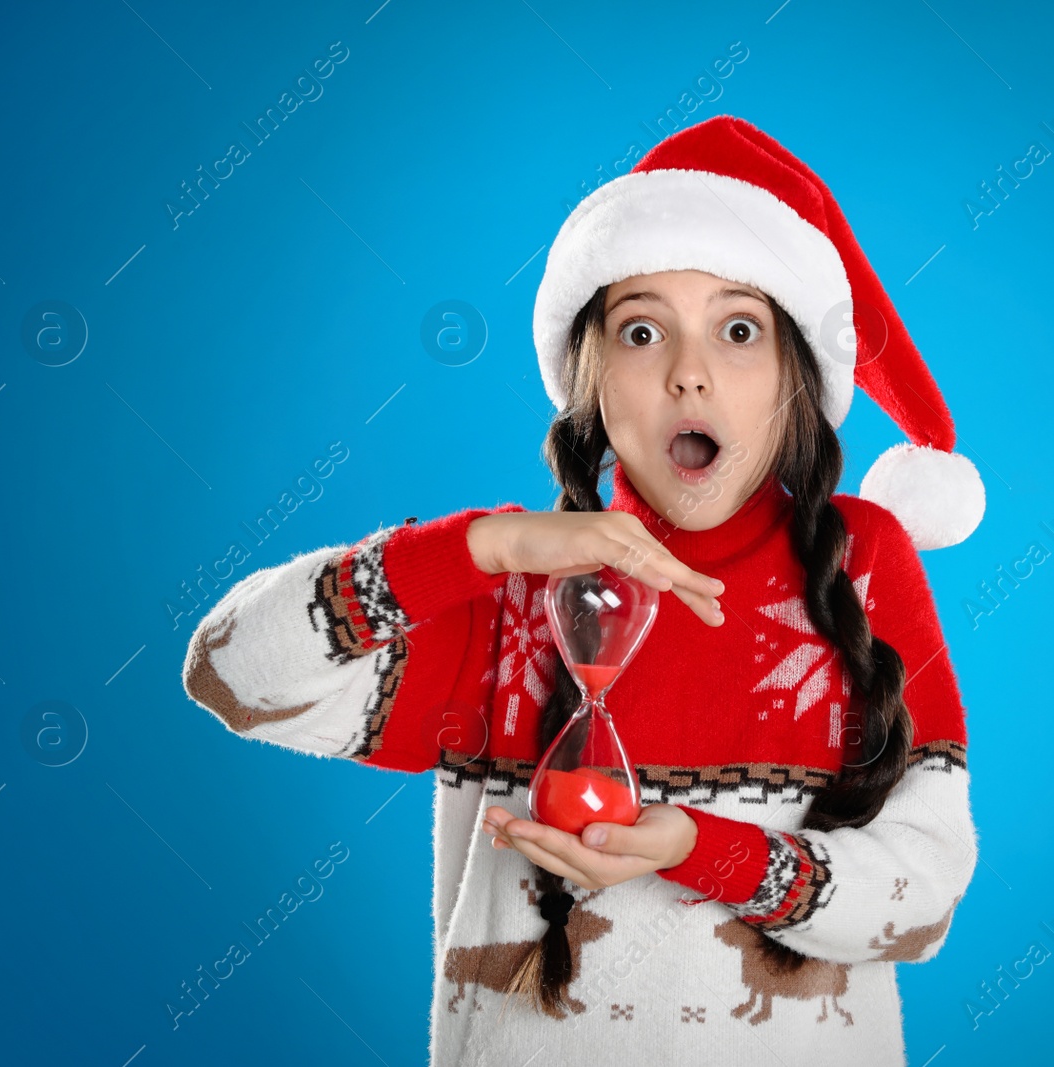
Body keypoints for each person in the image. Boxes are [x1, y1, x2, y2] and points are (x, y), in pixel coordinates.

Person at [180, 114, 987, 1066]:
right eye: (643, 330)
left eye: (739, 330)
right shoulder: (519, 590)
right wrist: (480, 546)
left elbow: (921, 904)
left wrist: (695, 846)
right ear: (593, 378)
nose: (689, 374)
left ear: (796, 377)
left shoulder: (862, 565)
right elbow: (231, 674)